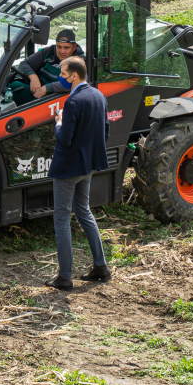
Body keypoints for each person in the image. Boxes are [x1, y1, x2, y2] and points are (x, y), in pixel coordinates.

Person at [45, 55, 112, 291]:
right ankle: (101, 267)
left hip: (67, 169)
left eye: (63, 75)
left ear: (74, 76)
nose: (61, 78)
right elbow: (105, 132)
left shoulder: (72, 103)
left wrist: (59, 122)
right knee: (84, 212)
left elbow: (64, 140)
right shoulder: (99, 96)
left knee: (61, 220)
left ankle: (64, 277)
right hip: (88, 167)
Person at [7, 30, 85, 105]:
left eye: (66, 48)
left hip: (53, 96)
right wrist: (33, 77)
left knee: (33, 106)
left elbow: (77, 82)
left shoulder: (79, 60)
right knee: (12, 86)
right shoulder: (49, 51)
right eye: (59, 47)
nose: (62, 51)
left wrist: (48, 88)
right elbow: (24, 63)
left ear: (74, 47)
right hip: (37, 88)